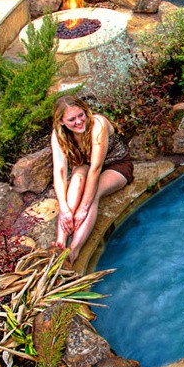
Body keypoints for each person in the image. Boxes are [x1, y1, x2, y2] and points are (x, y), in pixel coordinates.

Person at [51, 95, 133, 264]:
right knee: (75, 182)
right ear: (61, 122)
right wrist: (64, 209)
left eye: (81, 115)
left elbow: (96, 168)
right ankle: (60, 243)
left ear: (85, 110)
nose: (79, 121)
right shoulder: (58, 134)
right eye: (71, 119)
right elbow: (59, 172)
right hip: (85, 165)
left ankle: (74, 249)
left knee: (93, 194)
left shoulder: (98, 124)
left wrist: (83, 207)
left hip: (115, 164)